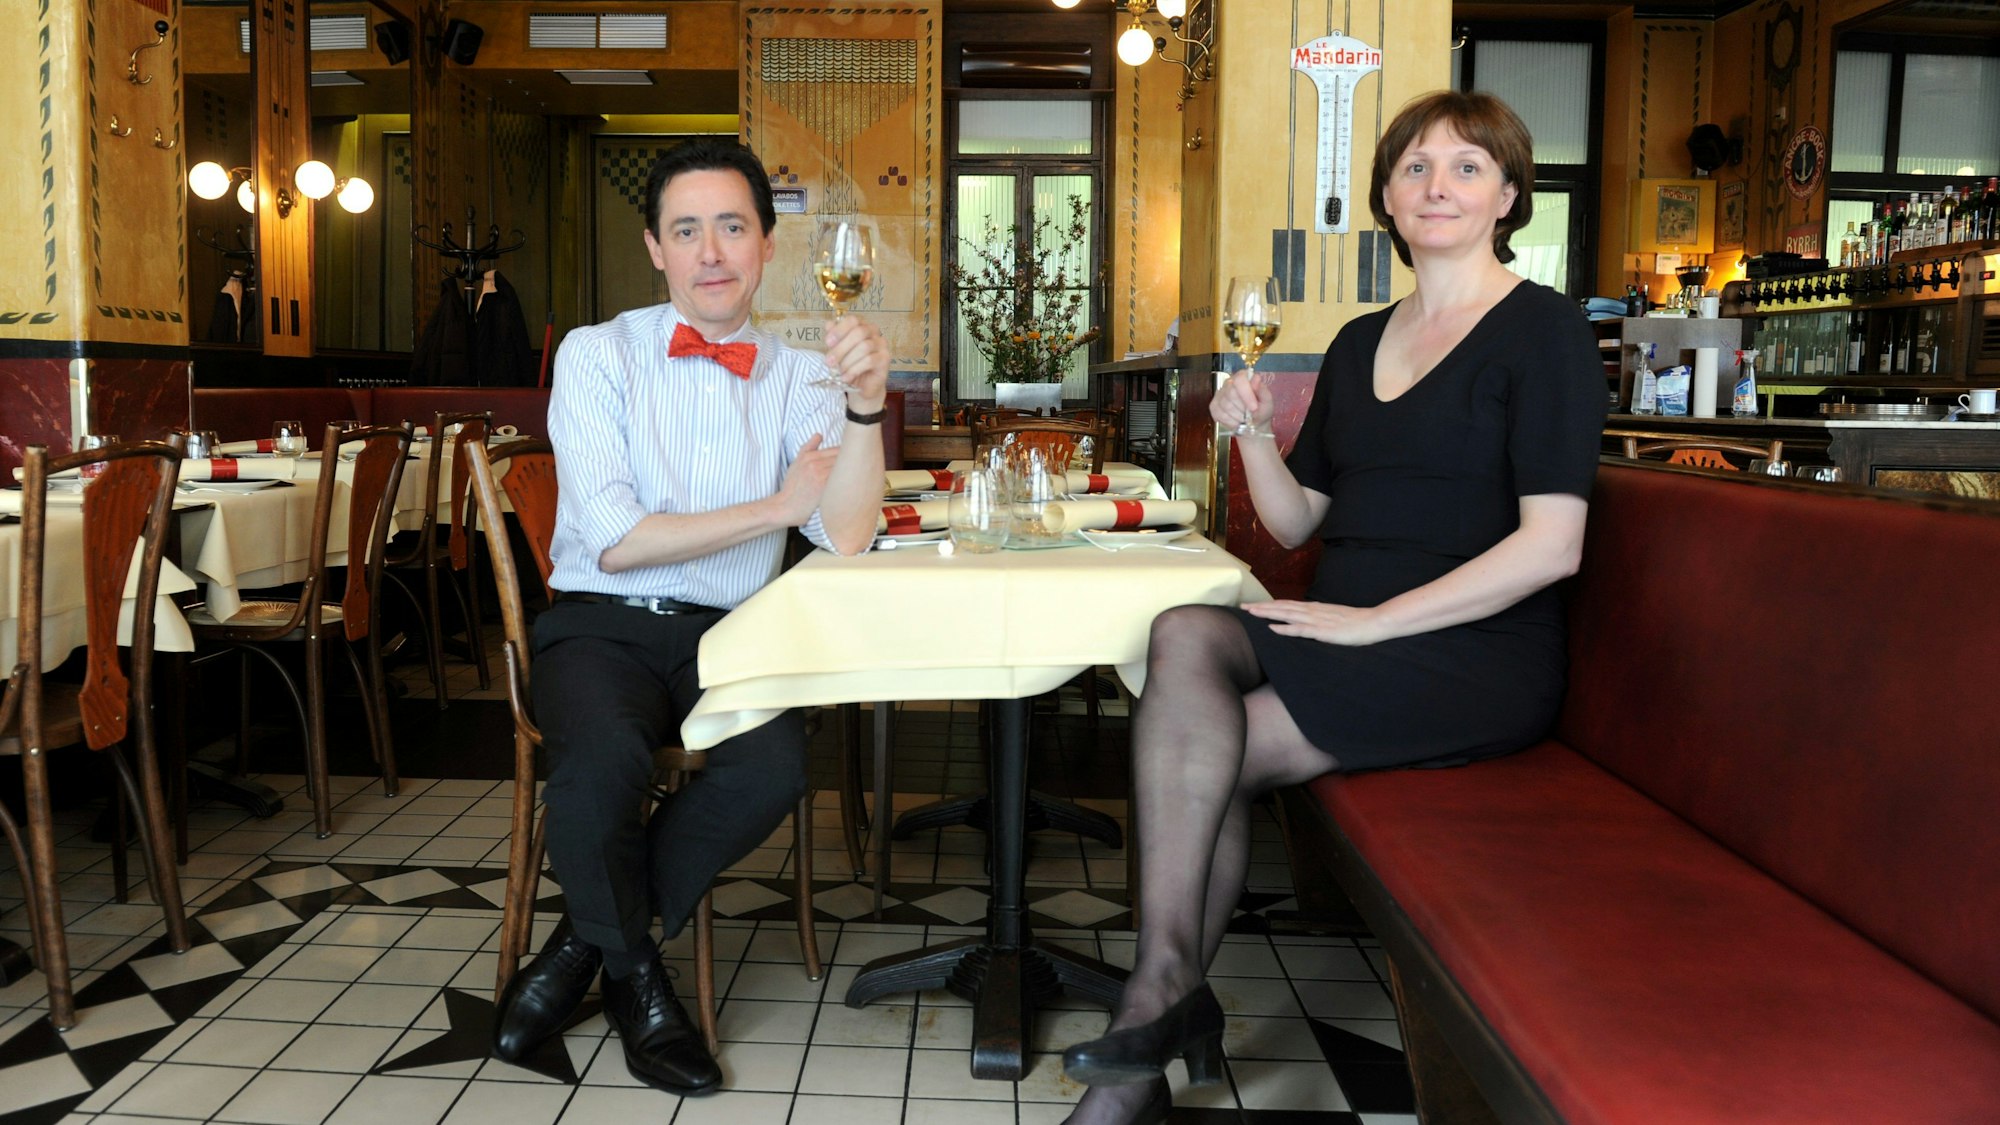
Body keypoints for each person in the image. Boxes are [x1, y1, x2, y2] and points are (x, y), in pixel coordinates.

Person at [1057, 91, 1607, 1124]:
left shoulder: (1545, 332)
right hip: (1343, 629)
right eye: (1413, 168)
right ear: (1386, 200)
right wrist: (1252, 435)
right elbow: (1299, 522)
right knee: (1181, 635)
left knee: (1202, 755)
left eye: (1465, 167)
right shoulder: (1360, 341)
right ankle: (1163, 1002)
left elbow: (1552, 545)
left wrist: (1374, 624)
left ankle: (1151, 1020)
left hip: (1469, 651)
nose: (1435, 185)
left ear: (1508, 196)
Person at [490, 138, 890, 1095]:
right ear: (655, 248)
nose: (710, 250)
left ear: (764, 244)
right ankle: (638, 979)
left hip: (734, 633)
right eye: (686, 229)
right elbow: (618, 539)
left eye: (731, 226)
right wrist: (772, 507)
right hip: (602, 623)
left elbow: (846, 538)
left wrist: (867, 411)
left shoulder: (805, 376)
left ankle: (583, 948)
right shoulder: (598, 354)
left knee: (774, 769)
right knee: (603, 766)